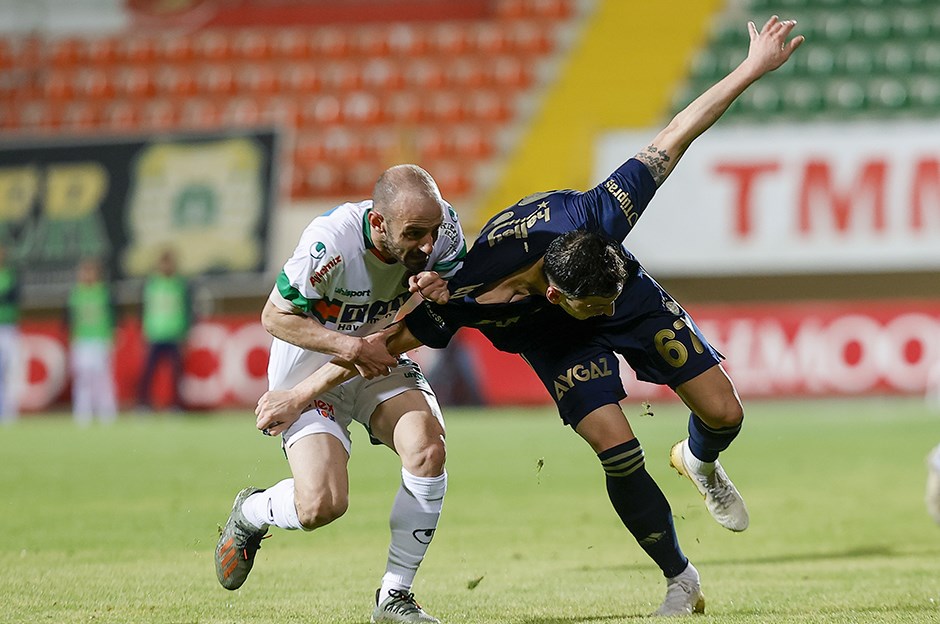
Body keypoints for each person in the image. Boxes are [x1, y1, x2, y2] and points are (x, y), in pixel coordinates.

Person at [255, 17, 804, 617]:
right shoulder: (468, 291)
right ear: (556, 296)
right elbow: (386, 342)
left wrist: (752, 67)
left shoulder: (599, 217)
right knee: (617, 449)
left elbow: (674, 135)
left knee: (725, 412)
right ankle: (681, 579)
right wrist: (300, 393)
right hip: (552, 342)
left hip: (635, 302)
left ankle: (699, 458)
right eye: (593, 307)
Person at [214, 164, 466, 624]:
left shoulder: (445, 232)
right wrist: (349, 346)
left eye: (431, 232)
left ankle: (394, 598)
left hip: (376, 357)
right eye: (414, 234)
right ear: (377, 224)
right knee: (321, 506)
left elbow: (450, 302)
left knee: (428, 450)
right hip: (309, 365)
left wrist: (441, 293)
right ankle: (251, 511)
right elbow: (275, 317)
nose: (427, 245)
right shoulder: (329, 242)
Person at [137, 249, 191, 412]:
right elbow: (144, 309)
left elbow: (187, 310)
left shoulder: (180, 284)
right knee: (149, 372)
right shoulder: (151, 284)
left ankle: (176, 405)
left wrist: (185, 332)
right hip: (155, 333)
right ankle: (144, 404)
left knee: (176, 374)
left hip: (174, 333)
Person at [67, 258, 118, 425]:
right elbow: (70, 319)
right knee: (83, 378)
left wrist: (112, 336)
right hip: (82, 339)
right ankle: (83, 413)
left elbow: (114, 316)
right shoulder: (76, 293)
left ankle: (107, 413)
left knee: (102, 377)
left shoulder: (104, 292)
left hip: (100, 339)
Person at [0, 246, 21, 423]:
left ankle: (9, 412)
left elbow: (13, 296)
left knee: (10, 370)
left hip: (7, 328)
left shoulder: (11, 276)